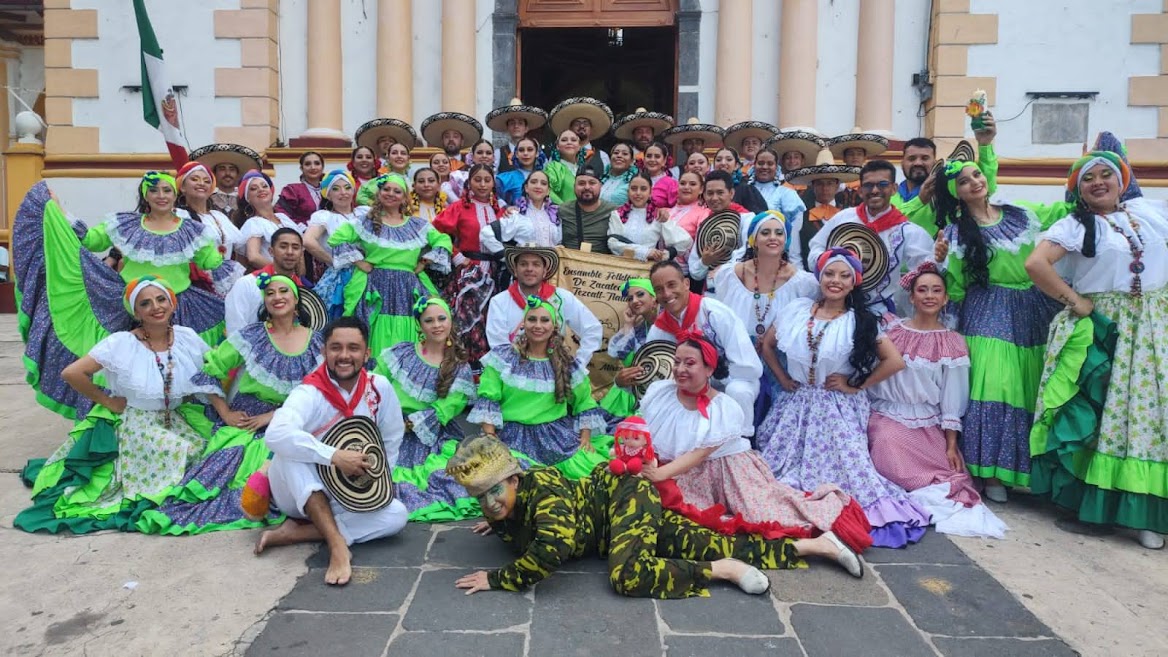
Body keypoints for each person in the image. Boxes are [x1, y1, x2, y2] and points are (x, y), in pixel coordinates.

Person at [445, 434, 858, 598]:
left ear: (515, 479)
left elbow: (550, 550)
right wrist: (500, 518)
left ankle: (723, 571)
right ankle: (817, 546)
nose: (490, 503)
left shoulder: (544, 493)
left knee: (627, 576)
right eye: (481, 497)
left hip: (624, 496)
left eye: (495, 491)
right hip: (615, 519)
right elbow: (518, 517)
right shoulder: (510, 503)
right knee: (712, 541)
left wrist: (498, 579)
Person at [1025, 151, 1168, 550]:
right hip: (1103, 328)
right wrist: (1076, 301)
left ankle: (1146, 512)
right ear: (1078, 190)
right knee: (1102, 415)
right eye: (1088, 179)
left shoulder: (1151, 213)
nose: (1099, 182)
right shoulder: (1074, 226)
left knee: (1146, 418)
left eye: (1107, 175)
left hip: (1153, 330)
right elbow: (1036, 264)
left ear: (1123, 181)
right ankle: (1096, 506)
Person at [637, 335, 871, 562]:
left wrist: (660, 474)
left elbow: (699, 454)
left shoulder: (723, 408)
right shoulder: (661, 393)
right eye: (677, 361)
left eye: (690, 363)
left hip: (727, 473)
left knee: (762, 517)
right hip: (683, 473)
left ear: (709, 369)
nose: (680, 369)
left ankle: (825, 539)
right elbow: (644, 432)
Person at [757, 249, 930, 547]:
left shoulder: (860, 321)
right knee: (779, 468)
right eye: (829, 274)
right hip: (796, 404)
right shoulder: (797, 310)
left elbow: (894, 361)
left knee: (847, 470)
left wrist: (856, 384)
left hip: (837, 407)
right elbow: (767, 345)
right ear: (820, 277)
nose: (835, 280)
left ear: (854, 282)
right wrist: (783, 378)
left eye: (844, 275)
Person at [15, 277, 213, 533]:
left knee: (208, 452)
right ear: (136, 312)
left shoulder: (187, 337)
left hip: (177, 418)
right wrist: (107, 401)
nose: (156, 307)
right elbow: (72, 373)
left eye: (161, 299)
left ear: (172, 303)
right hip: (138, 423)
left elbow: (212, 369)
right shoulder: (121, 343)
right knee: (180, 452)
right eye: (145, 303)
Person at [139, 273, 325, 535]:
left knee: (277, 459)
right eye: (270, 293)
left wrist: (274, 416)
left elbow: (320, 392)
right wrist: (225, 413)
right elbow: (210, 370)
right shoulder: (251, 336)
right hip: (247, 419)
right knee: (233, 464)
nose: (277, 297)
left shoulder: (316, 342)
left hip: (293, 418)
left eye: (283, 291)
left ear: (296, 300)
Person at [934, 159, 1065, 502]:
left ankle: (1028, 472)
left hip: (1032, 308)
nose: (974, 182)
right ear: (956, 194)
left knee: (1030, 387)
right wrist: (942, 264)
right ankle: (991, 473)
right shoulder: (955, 234)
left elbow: (1063, 212)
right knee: (995, 386)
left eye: (977, 174)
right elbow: (955, 286)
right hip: (987, 311)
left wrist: (1083, 180)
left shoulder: (1020, 213)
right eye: (964, 182)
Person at [255, 316, 410, 585]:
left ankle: (297, 533)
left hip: (345, 490)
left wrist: (379, 481)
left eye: (353, 348)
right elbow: (276, 434)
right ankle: (337, 544)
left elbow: (392, 437)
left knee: (397, 515)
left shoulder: (379, 387)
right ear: (324, 351)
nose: (344, 355)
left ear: (367, 353)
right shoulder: (309, 393)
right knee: (290, 453)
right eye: (336, 347)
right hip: (296, 490)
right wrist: (334, 456)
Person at [866, 263, 1008, 538]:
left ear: (945, 298)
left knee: (945, 477)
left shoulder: (952, 342)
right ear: (911, 297)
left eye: (936, 290)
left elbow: (953, 396)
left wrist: (951, 444)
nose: (929, 296)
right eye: (922, 290)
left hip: (927, 422)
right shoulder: (891, 331)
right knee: (887, 443)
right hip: (886, 416)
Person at [469, 297, 609, 475]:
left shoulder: (566, 363)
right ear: (524, 323)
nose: (538, 325)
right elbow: (489, 397)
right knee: (509, 477)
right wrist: (490, 436)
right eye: (532, 319)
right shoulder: (504, 358)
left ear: (554, 326)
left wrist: (585, 437)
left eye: (544, 320)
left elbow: (584, 401)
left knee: (591, 472)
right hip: (512, 437)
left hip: (556, 437)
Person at [376, 295, 478, 522]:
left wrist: (411, 423)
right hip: (389, 428)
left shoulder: (458, 367)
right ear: (420, 325)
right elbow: (375, 384)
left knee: (441, 476)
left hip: (430, 433)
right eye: (429, 320)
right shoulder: (401, 353)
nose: (436, 325)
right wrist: (387, 419)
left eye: (441, 318)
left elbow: (449, 406)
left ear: (450, 321)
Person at [329, 173, 453, 354]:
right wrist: (359, 262)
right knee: (374, 329)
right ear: (379, 193)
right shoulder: (366, 222)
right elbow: (337, 238)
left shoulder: (417, 225)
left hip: (408, 286)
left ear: (405, 198)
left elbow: (443, 240)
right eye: (386, 189)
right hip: (375, 285)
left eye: (397, 191)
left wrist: (425, 261)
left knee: (411, 327)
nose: (391, 194)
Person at [714, 212, 818, 420]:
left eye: (779, 233)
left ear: (786, 240)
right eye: (765, 232)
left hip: (780, 363)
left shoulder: (803, 283)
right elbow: (723, 321)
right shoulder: (730, 275)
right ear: (753, 239)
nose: (773, 237)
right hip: (739, 359)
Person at [807, 160, 938, 315]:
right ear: (861, 191)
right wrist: (831, 262)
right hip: (836, 307)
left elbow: (925, 272)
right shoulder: (844, 218)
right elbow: (816, 248)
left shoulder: (908, 232)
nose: (875, 190)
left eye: (883, 184)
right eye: (868, 185)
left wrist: (938, 258)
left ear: (894, 189)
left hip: (879, 312)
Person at [646, 261, 763, 432]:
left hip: (732, 379)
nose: (666, 293)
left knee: (738, 391)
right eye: (659, 289)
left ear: (686, 284)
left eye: (671, 285)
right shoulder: (659, 329)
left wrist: (708, 384)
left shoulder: (713, 312)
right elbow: (656, 372)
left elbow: (748, 366)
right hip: (689, 384)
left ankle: (738, 440)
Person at [432, 164, 510, 364]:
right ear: (469, 183)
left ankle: (487, 367)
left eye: (487, 180)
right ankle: (464, 365)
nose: (482, 184)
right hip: (468, 271)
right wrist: (456, 256)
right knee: (469, 320)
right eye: (477, 180)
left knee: (492, 318)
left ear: (493, 184)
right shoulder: (459, 207)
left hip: (496, 272)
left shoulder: (500, 211)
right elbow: (435, 232)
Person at [485, 244, 603, 368]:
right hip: (513, 372)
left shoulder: (562, 298)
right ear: (515, 270)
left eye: (536, 264)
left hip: (554, 371)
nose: (529, 269)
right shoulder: (499, 302)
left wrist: (579, 363)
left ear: (545, 271)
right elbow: (498, 345)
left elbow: (592, 329)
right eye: (523, 264)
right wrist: (516, 373)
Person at [894, 116, 999, 237]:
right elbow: (887, 223)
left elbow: (984, 187)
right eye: (912, 158)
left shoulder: (948, 192)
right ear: (902, 163)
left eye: (925, 158)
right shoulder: (889, 193)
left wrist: (985, 144)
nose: (918, 163)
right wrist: (920, 200)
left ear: (935, 162)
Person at [783, 152, 861, 271]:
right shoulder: (801, 216)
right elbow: (795, 255)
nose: (825, 188)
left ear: (837, 186)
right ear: (813, 186)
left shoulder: (846, 215)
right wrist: (804, 277)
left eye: (829, 183)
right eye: (820, 184)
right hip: (808, 277)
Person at [599, 279, 658, 429]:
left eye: (640, 294)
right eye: (630, 298)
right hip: (630, 396)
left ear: (654, 297)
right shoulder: (637, 329)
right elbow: (622, 357)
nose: (634, 301)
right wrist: (628, 324)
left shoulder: (667, 324)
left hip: (656, 397)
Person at [225, 227, 307, 336]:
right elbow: (235, 329)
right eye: (283, 247)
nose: (290, 252)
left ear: (301, 253)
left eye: (295, 248)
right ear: (271, 251)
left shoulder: (302, 291)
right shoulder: (247, 284)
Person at [174, 161, 246, 284]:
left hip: (224, 280)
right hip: (193, 281)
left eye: (207, 181)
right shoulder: (178, 216)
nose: (201, 183)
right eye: (195, 179)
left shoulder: (218, 216)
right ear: (182, 187)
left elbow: (240, 248)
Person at [687, 170, 759, 288]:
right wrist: (704, 262)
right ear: (704, 195)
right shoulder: (704, 225)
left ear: (731, 193)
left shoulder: (747, 219)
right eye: (710, 193)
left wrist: (725, 268)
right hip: (711, 292)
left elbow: (750, 254)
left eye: (720, 192)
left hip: (740, 289)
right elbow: (694, 272)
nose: (714, 198)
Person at [303, 171, 358, 319]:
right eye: (336, 189)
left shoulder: (365, 213)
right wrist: (334, 261)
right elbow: (308, 241)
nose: (343, 192)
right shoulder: (325, 216)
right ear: (328, 194)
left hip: (367, 272)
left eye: (347, 187)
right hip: (341, 276)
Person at [607, 171, 691, 262]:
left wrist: (665, 254)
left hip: (647, 268)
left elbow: (684, 241)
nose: (638, 193)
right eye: (634, 189)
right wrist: (645, 252)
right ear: (628, 191)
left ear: (650, 192)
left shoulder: (658, 215)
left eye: (643, 189)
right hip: (619, 266)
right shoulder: (618, 214)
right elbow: (613, 244)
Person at [238, 170, 304, 272]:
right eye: (254, 188)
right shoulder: (253, 223)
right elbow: (253, 257)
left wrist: (298, 275)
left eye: (264, 186)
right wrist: (282, 272)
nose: (261, 190)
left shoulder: (284, 218)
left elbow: (300, 254)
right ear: (248, 198)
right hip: (271, 277)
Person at [188, 143, 263, 225]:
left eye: (232, 169)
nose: (227, 173)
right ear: (214, 174)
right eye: (222, 169)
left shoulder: (247, 202)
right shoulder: (205, 200)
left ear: (238, 175)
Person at [749, 148, 808, 243]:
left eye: (770, 164)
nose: (765, 167)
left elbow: (795, 227)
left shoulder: (786, 193)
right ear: (754, 165)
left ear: (776, 167)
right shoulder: (743, 190)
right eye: (761, 163)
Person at [559, 164, 619, 254]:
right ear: (574, 186)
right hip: (569, 262)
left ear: (600, 186)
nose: (587, 187)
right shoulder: (562, 210)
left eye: (592, 183)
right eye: (581, 183)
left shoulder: (613, 212)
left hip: (602, 262)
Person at [827, 130, 888, 210]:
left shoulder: (872, 179)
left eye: (859, 154)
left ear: (865, 158)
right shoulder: (837, 179)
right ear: (844, 158)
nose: (855, 157)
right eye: (850, 154)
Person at [487, 98, 549, 172]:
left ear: (526, 128)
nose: (516, 126)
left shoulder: (538, 154)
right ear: (507, 128)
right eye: (512, 123)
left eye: (520, 123)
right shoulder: (498, 154)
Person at [549, 96, 614, 166]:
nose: (582, 126)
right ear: (570, 128)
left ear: (591, 129)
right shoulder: (556, 156)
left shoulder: (602, 156)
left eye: (586, 124)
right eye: (577, 124)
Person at [712, 147, 767, 214]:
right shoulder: (706, 188)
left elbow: (759, 215)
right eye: (718, 160)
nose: (723, 163)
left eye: (729, 159)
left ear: (736, 165)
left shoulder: (746, 189)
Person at [276, 151, 325, 227]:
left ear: (322, 167)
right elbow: (281, 213)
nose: (313, 167)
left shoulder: (329, 190)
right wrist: (301, 228)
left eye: (317, 163)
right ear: (302, 168)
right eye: (307, 164)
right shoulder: (293, 190)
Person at [494, 136, 545, 205]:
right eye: (521, 150)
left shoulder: (544, 178)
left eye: (530, 150)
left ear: (537, 153)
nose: (525, 153)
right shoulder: (507, 178)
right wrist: (506, 207)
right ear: (516, 154)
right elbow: (492, 195)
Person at [544, 129, 585, 205]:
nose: (569, 142)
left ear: (579, 146)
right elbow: (547, 190)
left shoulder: (584, 169)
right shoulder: (553, 168)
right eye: (564, 140)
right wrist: (564, 208)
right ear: (557, 146)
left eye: (573, 140)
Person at [599, 142, 637, 206]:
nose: (619, 156)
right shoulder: (600, 177)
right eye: (616, 153)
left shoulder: (635, 181)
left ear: (631, 161)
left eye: (625, 154)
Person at [642, 142, 678, 209]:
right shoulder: (638, 180)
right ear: (644, 160)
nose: (652, 159)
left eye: (657, 156)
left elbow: (678, 208)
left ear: (664, 161)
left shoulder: (671, 183)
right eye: (649, 156)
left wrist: (665, 211)